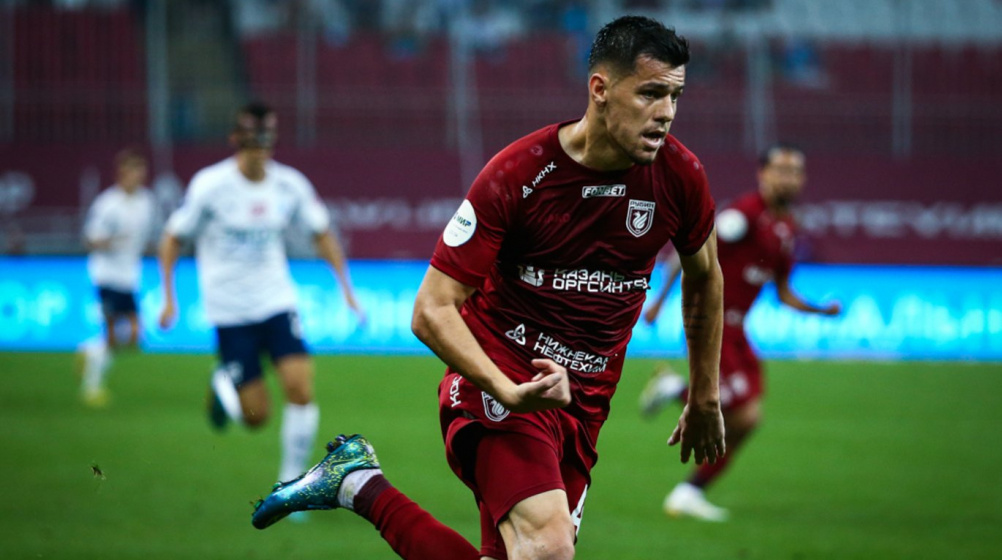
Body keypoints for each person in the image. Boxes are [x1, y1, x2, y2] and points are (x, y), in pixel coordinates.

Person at [251, 16, 726, 559]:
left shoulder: (680, 176)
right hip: (499, 378)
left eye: (674, 96)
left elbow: (705, 274)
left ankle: (358, 484)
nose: (666, 112)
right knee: (548, 550)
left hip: (584, 403)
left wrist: (704, 394)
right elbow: (431, 309)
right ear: (600, 89)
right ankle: (359, 484)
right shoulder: (520, 174)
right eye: (650, 93)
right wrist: (505, 387)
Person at [157, 102, 365, 493]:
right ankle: (223, 380)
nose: (260, 146)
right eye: (252, 137)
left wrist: (347, 291)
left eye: (266, 137)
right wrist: (169, 298)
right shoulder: (210, 185)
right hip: (230, 311)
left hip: (276, 301)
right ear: (235, 139)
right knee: (256, 417)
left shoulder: (290, 185)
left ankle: (292, 485)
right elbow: (172, 237)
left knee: (300, 388)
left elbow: (321, 233)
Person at [639, 142, 841, 522]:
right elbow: (689, 248)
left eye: (795, 171)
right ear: (762, 174)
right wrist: (659, 302)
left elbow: (783, 292)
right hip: (710, 327)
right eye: (780, 170)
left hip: (737, 333)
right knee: (740, 416)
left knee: (747, 421)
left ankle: (689, 491)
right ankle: (676, 394)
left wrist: (819, 310)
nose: (788, 179)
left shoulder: (787, 228)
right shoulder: (744, 215)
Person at [77, 148, 156, 407]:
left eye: (141, 170)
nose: (139, 175)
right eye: (134, 170)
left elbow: (145, 237)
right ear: (122, 173)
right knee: (112, 333)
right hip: (106, 276)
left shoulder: (146, 201)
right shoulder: (107, 203)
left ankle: (90, 350)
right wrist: (111, 241)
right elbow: (90, 239)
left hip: (130, 276)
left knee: (134, 337)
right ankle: (92, 387)